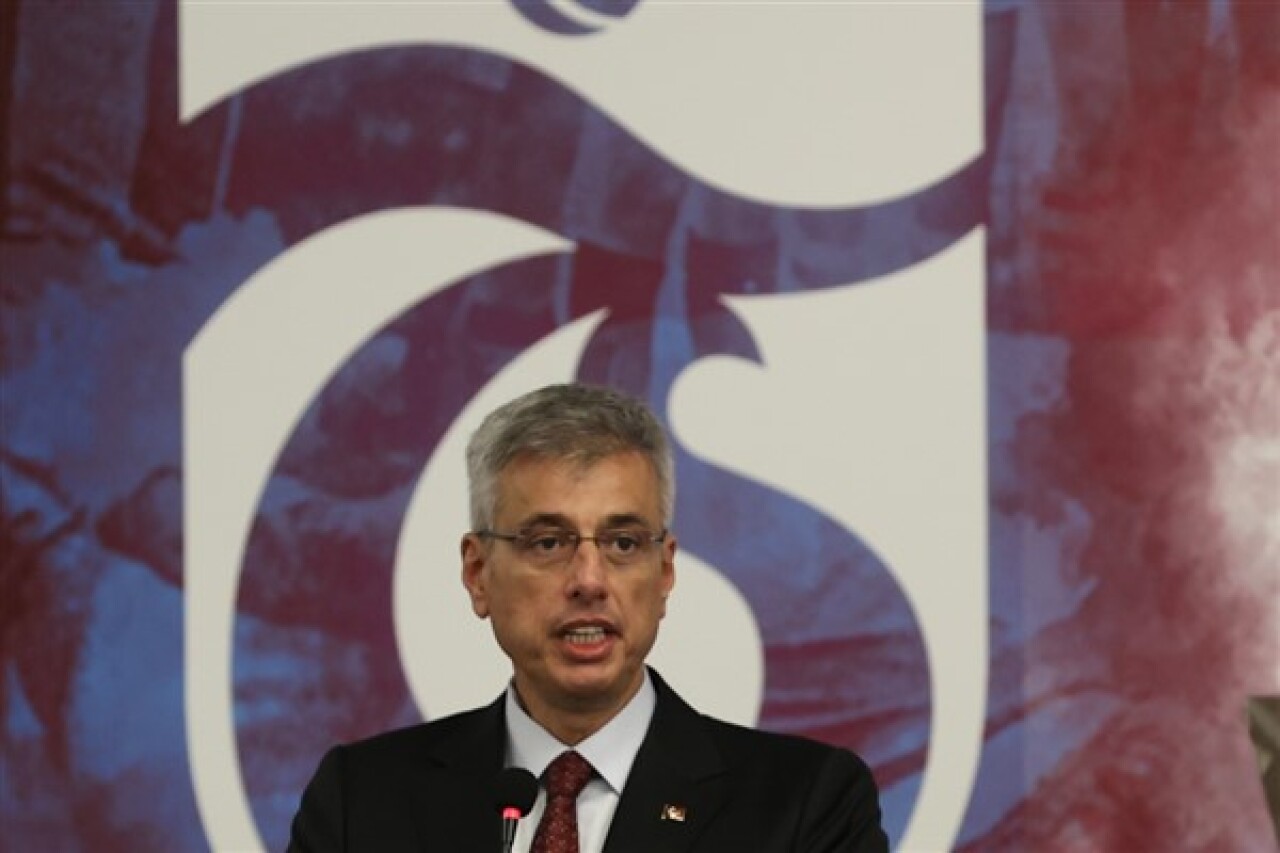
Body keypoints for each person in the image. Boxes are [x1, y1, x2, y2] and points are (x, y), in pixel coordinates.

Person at [288, 383, 889, 852]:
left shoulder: (804, 804)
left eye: (623, 543)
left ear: (665, 572)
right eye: (548, 543)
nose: (589, 581)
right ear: (478, 572)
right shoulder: (362, 802)